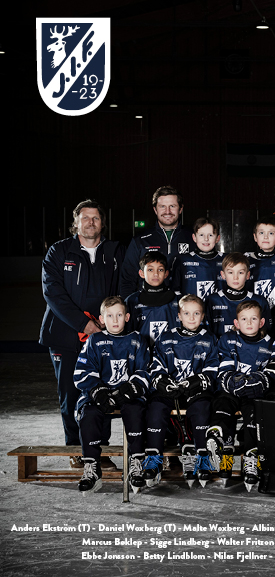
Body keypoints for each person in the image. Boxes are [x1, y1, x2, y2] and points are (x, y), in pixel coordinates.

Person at [40, 199, 124, 469]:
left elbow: (122, 290)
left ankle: (100, 449)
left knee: (103, 392)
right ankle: (76, 449)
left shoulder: (114, 251)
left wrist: (110, 322)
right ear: (75, 222)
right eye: (85, 218)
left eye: (95, 218)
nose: (90, 222)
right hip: (65, 335)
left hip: (103, 334)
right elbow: (53, 293)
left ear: (102, 223)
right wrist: (82, 323)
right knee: (71, 394)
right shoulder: (59, 251)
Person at [73, 296, 150, 494]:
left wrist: (128, 390)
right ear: (101, 319)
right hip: (102, 394)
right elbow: (81, 372)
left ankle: (136, 462)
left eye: (119, 315)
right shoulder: (94, 340)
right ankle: (92, 466)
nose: (115, 320)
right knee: (89, 413)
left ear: (127, 317)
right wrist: (98, 391)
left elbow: (144, 371)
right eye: (109, 316)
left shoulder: (137, 340)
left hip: (128, 395)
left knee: (136, 412)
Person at [145, 294, 218, 488]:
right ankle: (153, 458)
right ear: (179, 315)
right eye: (187, 313)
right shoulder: (166, 337)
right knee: (155, 408)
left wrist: (197, 381)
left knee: (202, 409)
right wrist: (162, 380)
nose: (191, 318)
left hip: (196, 391)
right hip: (171, 390)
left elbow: (213, 368)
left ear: (203, 316)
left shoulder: (209, 338)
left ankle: (202, 458)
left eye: (196, 313)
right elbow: (156, 364)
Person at [206, 300, 275, 491]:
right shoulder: (227, 339)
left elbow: (273, 371)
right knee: (222, 404)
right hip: (231, 391)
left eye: (254, 319)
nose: (249, 323)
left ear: (262, 322)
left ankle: (251, 459)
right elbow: (223, 365)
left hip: (253, 394)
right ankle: (218, 438)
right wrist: (232, 381)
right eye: (244, 319)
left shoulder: (271, 343)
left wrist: (260, 381)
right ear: (236, 323)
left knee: (255, 414)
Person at [120, 186, 195, 297]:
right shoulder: (140, 240)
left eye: (172, 206)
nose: (167, 211)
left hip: (185, 305)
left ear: (180, 209)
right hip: (149, 304)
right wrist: (130, 304)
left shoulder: (195, 238)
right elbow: (127, 280)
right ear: (155, 210)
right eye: (162, 206)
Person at [205, 253, 271, 337]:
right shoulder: (212, 300)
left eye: (240, 272)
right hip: (220, 345)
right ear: (223, 275)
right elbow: (207, 334)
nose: (235, 277)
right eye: (230, 272)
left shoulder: (259, 301)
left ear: (247, 275)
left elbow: (266, 333)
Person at [124, 252, 180, 346]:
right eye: (150, 270)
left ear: (166, 274)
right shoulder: (132, 301)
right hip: (141, 353)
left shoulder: (178, 300)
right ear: (141, 273)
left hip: (170, 352)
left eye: (160, 270)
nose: (156, 274)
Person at [170, 217, 224, 300]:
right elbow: (175, 290)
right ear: (194, 237)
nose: (206, 239)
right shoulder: (182, 260)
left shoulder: (227, 259)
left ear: (217, 238)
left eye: (210, 235)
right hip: (190, 308)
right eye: (201, 235)